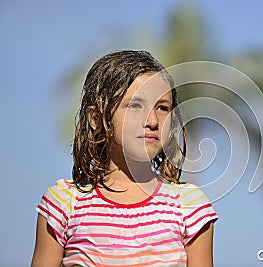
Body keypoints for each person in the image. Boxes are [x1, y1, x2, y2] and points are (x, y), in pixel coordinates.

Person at [31, 50, 218, 267]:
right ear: (96, 119)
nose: (152, 120)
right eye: (135, 105)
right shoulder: (63, 204)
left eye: (162, 107)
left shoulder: (190, 207)